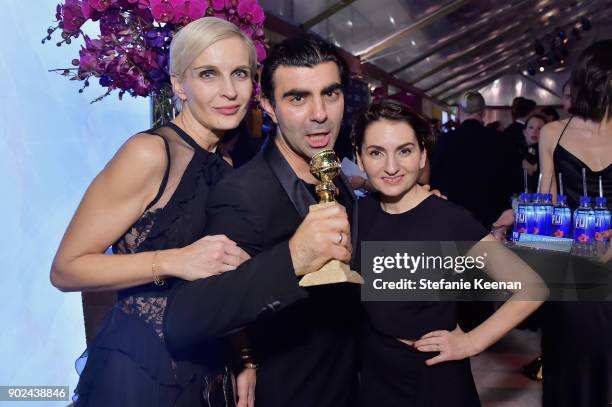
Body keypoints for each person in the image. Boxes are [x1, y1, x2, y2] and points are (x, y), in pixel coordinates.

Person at [50, 17, 257, 406]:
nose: (229, 91)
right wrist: (175, 260)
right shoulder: (149, 153)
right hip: (137, 369)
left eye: (240, 73)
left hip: (204, 365)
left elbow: (217, 278)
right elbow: (66, 269)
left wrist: (243, 356)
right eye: (208, 74)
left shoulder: (224, 165)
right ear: (179, 84)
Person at [163, 35, 360, 407]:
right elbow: (187, 317)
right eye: (298, 98)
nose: (320, 113)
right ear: (268, 105)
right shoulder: (243, 193)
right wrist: (293, 259)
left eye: (330, 94)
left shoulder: (333, 177)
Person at [353, 99, 547, 407]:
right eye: (376, 152)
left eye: (404, 150)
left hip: (436, 377)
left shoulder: (449, 219)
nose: (391, 167)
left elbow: (532, 288)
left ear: (422, 156)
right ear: (360, 159)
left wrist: (471, 340)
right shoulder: (356, 214)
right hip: (377, 373)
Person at [537, 39, 612, 407]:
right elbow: (545, 204)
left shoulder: (555, 133)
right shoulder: (553, 133)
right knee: (571, 361)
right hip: (570, 266)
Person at [521, 114, 547, 192]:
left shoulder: (550, 154)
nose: (535, 132)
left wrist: (537, 168)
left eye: (539, 128)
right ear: (524, 132)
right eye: (531, 127)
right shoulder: (515, 151)